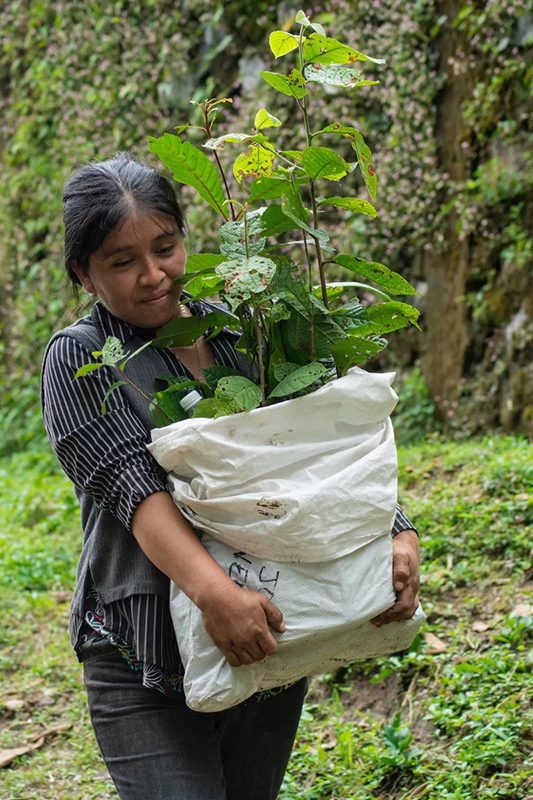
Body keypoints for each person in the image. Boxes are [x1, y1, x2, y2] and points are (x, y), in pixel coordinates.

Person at [41, 152, 420, 800]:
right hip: (142, 653)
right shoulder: (79, 357)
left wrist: (395, 528)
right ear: (84, 272)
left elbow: (321, 444)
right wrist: (216, 598)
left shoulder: (242, 330)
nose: (154, 276)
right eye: (121, 261)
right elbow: (135, 490)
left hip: (268, 627)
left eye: (165, 247)